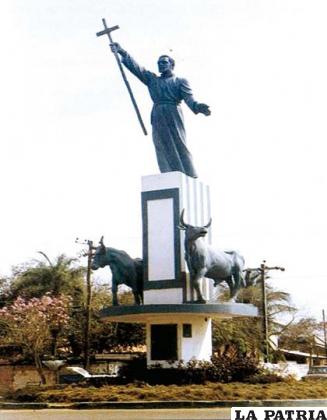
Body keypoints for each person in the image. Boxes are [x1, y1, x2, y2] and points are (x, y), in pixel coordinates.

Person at [111, 43, 211, 178]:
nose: (161, 65)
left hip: (173, 112)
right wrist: (122, 52)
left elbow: (189, 98)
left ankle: (189, 173)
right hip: (157, 114)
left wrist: (197, 106)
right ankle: (167, 174)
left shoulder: (180, 81)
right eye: (159, 63)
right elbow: (137, 69)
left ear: (171, 65)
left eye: (164, 62)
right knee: (160, 144)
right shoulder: (152, 80)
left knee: (178, 141)